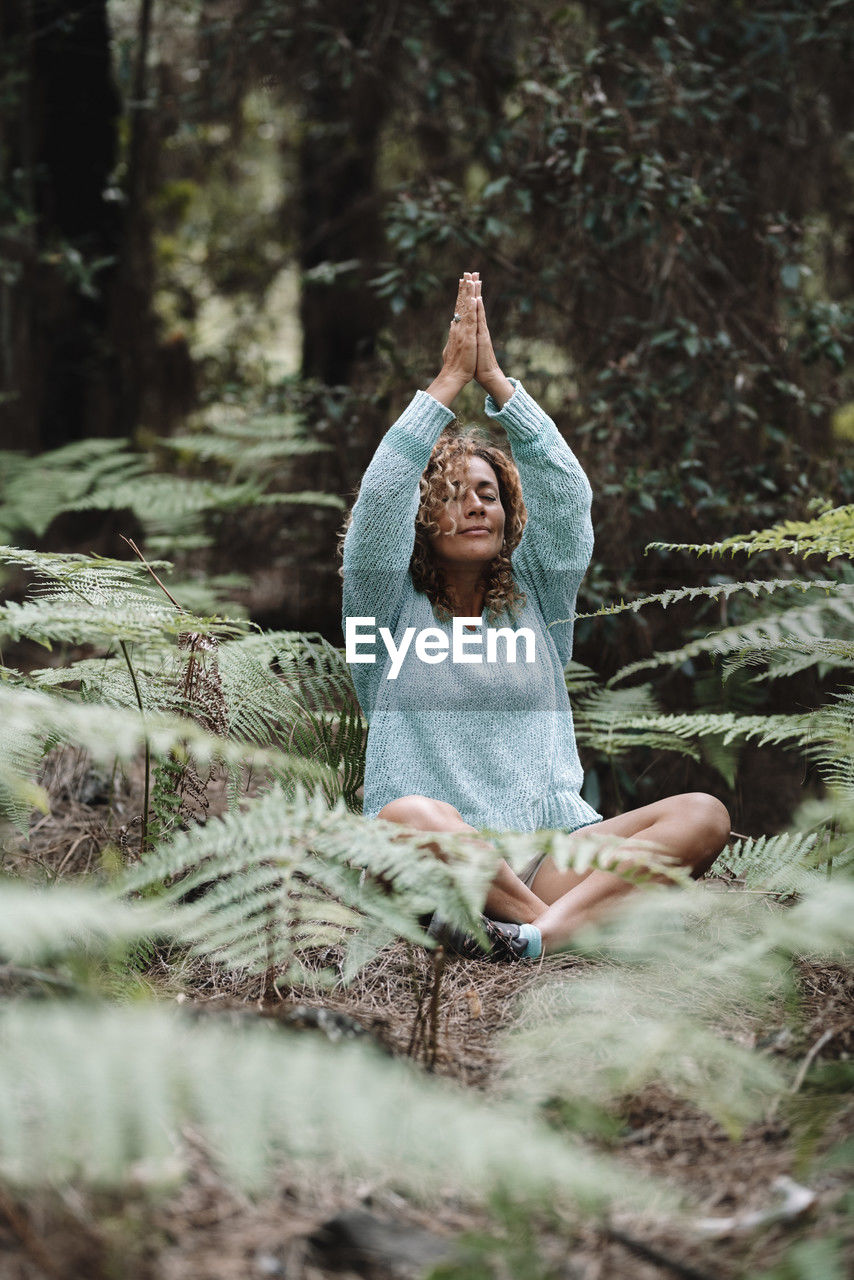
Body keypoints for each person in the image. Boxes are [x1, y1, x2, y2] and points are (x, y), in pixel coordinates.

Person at [342, 271, 730, 960]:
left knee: (703, 814)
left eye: (488, 493)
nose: (476, 505)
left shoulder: (539, 601)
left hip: (549, 852)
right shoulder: (386, 612)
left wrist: (495, 381)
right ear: (423, 520)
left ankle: (529, 937)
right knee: (404, 815)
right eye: (454, 495)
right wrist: (445, 385)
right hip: (439, 856)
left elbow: (567, 492)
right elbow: (376, 508)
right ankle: (563, 926)